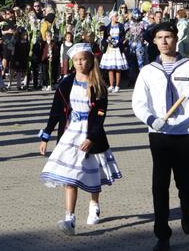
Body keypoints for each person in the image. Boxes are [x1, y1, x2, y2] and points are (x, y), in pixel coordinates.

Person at [132, 22, 189, 251]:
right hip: (159, 133)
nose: (164, 41)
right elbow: (138, 103)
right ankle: (162, 234)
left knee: (185, 180)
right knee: (160, 183)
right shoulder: (148, 71)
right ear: (155, 42)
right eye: (160, 37)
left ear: (176, 39)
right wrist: (151, 120)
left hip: (185, 132)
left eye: (168, 36)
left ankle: (187, 206)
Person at [38, 43, 121, 236]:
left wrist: (92, 137)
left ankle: (94, 203)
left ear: (90, 60)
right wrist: (46, 135)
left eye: (83, 59)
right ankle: (70, 218)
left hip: (91, 133)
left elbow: (100, 115)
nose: (79, 63)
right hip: (70, 132)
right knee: (70, 175)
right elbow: (56, 111)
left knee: (93, 171)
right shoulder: (66, 83)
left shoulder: (98, 84)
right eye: (76, 60)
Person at [101, 12, 128, 93]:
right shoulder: (107, 27)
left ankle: (117, 85)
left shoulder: (120, 26)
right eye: (115, 16)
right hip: (110, 49)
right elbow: (104, 38)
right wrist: (108, 41)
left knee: (117, 68)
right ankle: (111, 85)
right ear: (112, 17)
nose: (117, 17)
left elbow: (123, 36)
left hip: (118, 49)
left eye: (117, 16)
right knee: (110, 68)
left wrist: (118, 42)